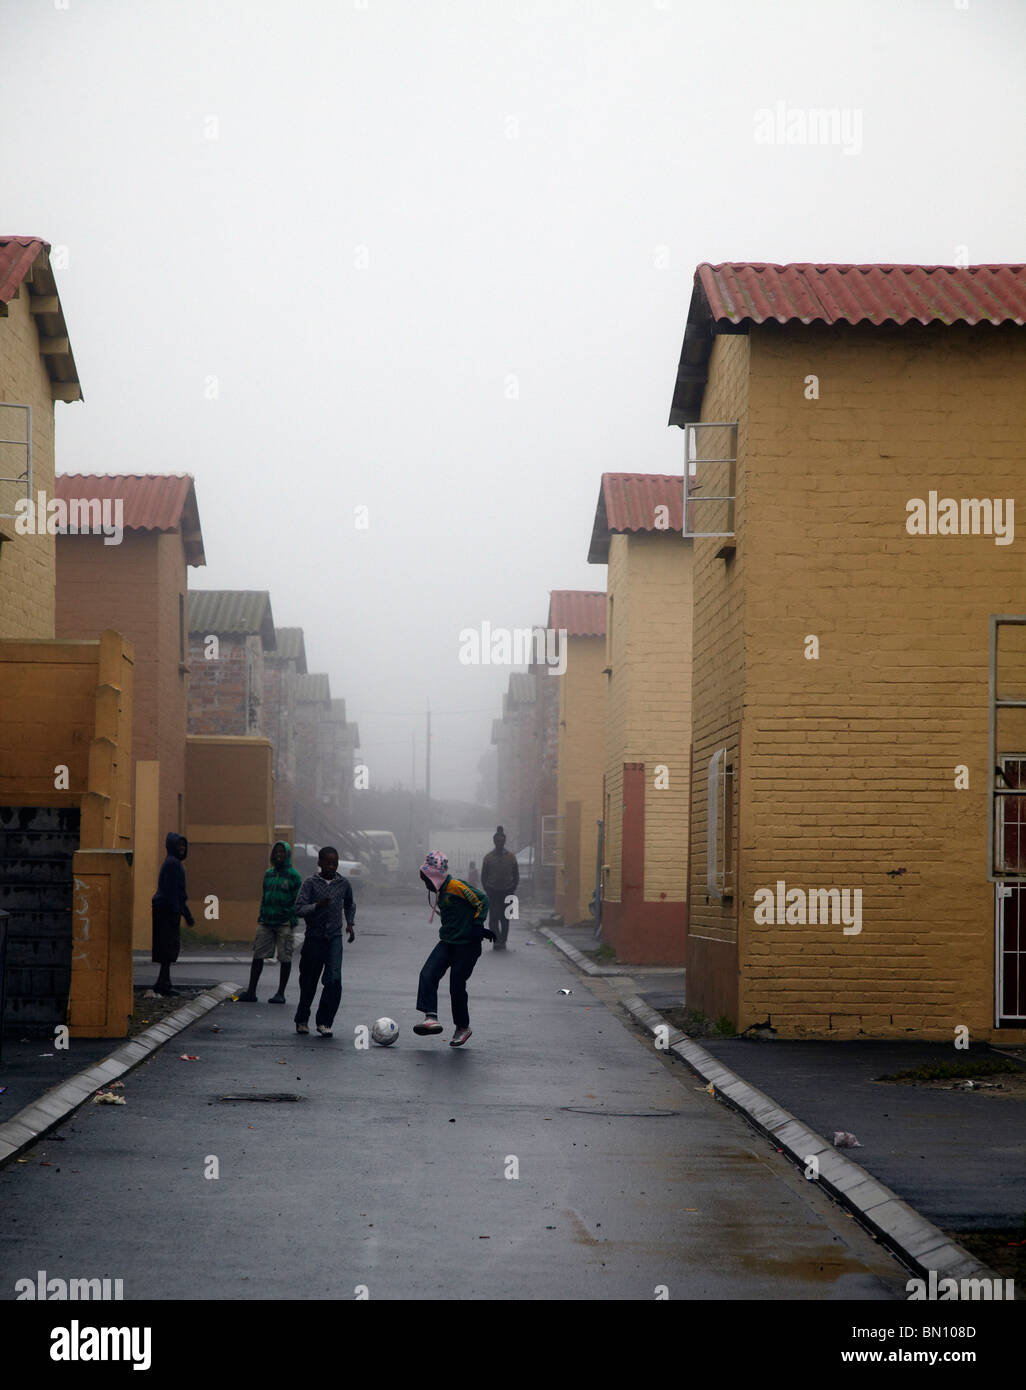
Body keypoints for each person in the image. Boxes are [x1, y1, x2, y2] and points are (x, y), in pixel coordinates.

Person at [413, 851, 493, 1046]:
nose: (426, 884)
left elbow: (482, 900)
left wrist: (477, 926)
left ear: (434, 876)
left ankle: (462, 1027)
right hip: (448, 942)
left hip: (467, 945)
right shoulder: (440, 891)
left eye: (426, 879)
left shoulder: (456, 886)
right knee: (427, 974)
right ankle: (430, 1016)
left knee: (456, 985)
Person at [293, 846, 355, 1036]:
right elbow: (299, 908)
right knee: (309, 981)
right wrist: (316, 906)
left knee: (334, 980)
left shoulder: (343, 883)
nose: (331, 866)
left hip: (334, 938)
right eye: (328, 862)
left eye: (335, 863)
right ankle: (302, 1018)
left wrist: (350, 924)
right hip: (314, 938)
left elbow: (349, 904)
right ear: (319, 863)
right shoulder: (310, 883)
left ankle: (325, 1022)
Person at [236, 841, 302, 1003]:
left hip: (284, 922)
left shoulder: (294, 876)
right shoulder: (269, 874)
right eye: (276, 852)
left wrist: (292, 918)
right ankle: (251, 991)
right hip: (266, 921)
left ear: (287, 855)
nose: (279, 855)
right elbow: (264, 897)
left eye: (282, 852)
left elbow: (298, 900)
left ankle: (280, 993)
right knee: (258, 954)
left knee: (285, 957)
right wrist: (261, 916)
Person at [151, 832, 194, 996]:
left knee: (167, 948)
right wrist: (183, 914)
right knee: (168, 947)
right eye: (179, 845)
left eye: (184, 845)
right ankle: (163, 983)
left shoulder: (171, 862)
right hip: (167, 910)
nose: (182, 849)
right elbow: (175, 892)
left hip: (165, 908)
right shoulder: (173, 864)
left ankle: (164, 981)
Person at [480, 825, 519, 950]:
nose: (499, 842)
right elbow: (483, 875)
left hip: (508, 891)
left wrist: (513, 887)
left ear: (504, 841)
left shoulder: (511, 857)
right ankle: (497, 940)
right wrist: (487, 889)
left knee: (505, 917)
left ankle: (503, 940)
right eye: (497, 840)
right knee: (493, 918)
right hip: (493, 892)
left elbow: (516, 874)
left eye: (501, 840)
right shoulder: (488, 857)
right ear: (494, 841)